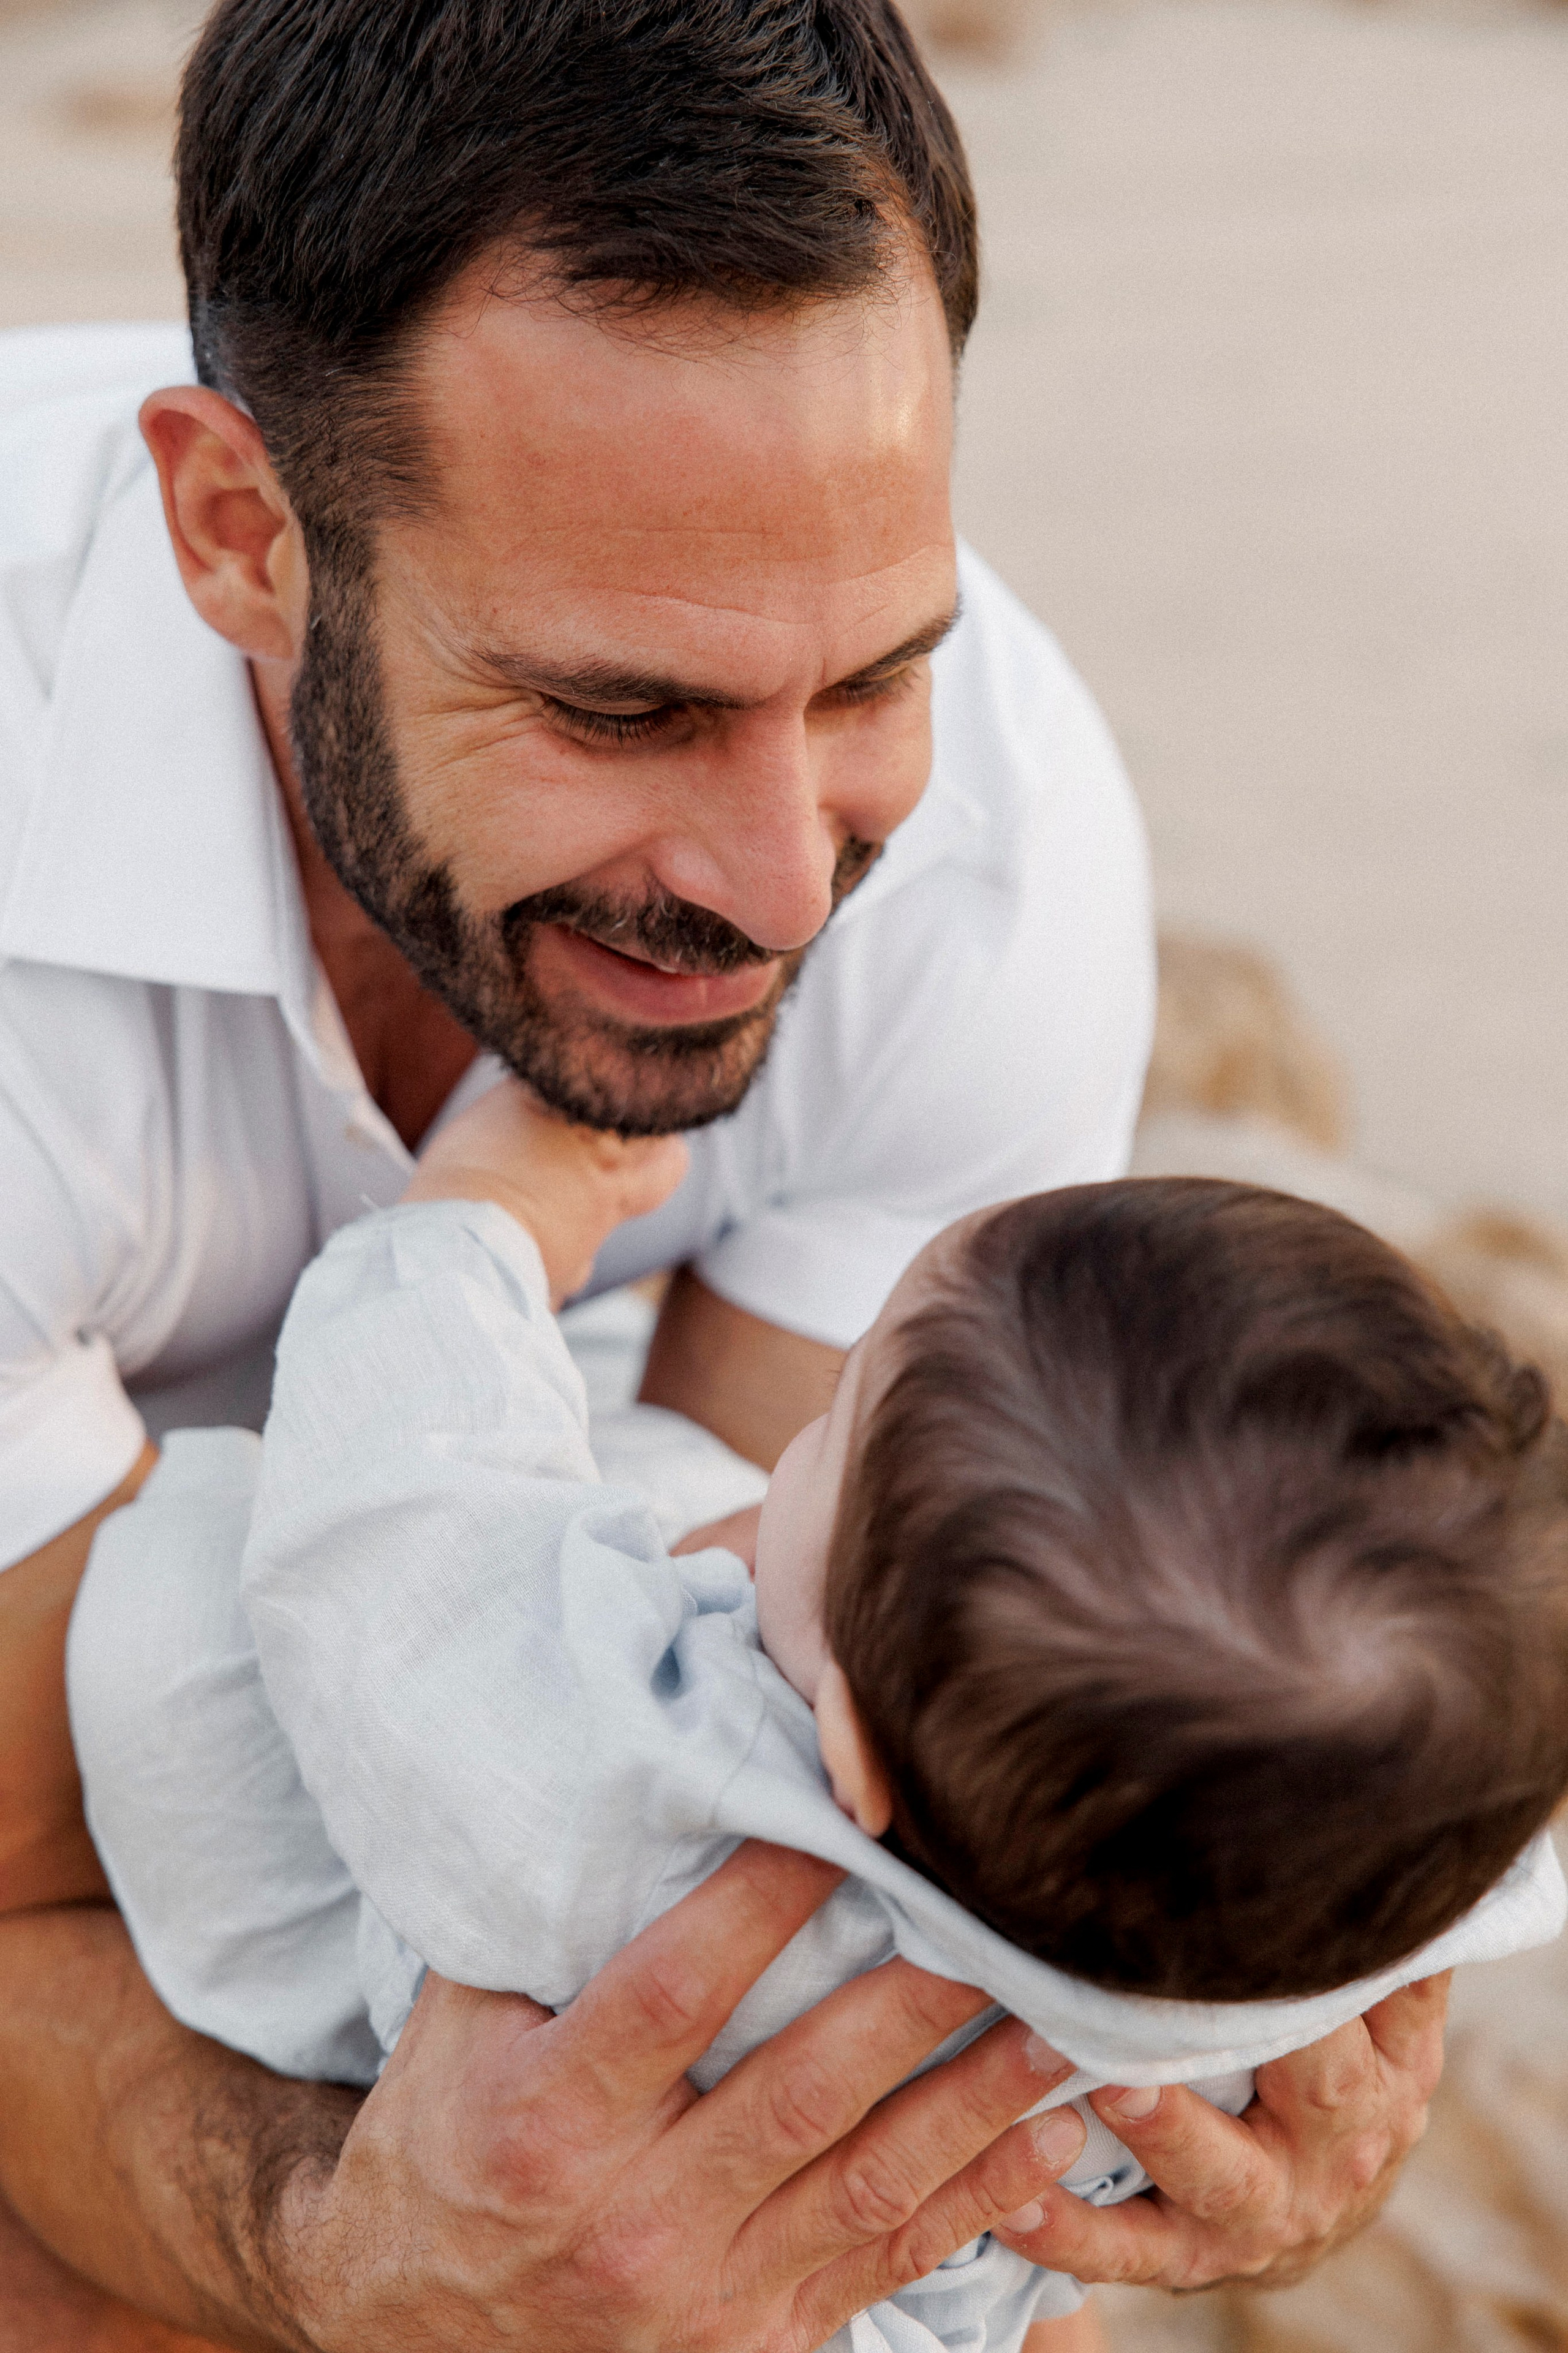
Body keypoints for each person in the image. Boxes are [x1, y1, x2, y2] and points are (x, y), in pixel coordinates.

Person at [0, 0, 1453, 2343]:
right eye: (621, 708)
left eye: (874, 673)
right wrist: (348, 2254)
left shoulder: (987, 848)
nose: (787, 884)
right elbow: (30, 1865)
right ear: (241, 534)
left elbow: (820, 1706)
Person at [71, 1090, 1568, 2353]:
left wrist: (466, 1226)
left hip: (409, 2079)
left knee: (186, 1580)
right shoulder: (1370, 1882)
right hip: (908, 2292)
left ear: (841, 1751)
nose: (813, 1414)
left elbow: (401, 1536)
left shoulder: (646, 1794)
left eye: (839, 1408)